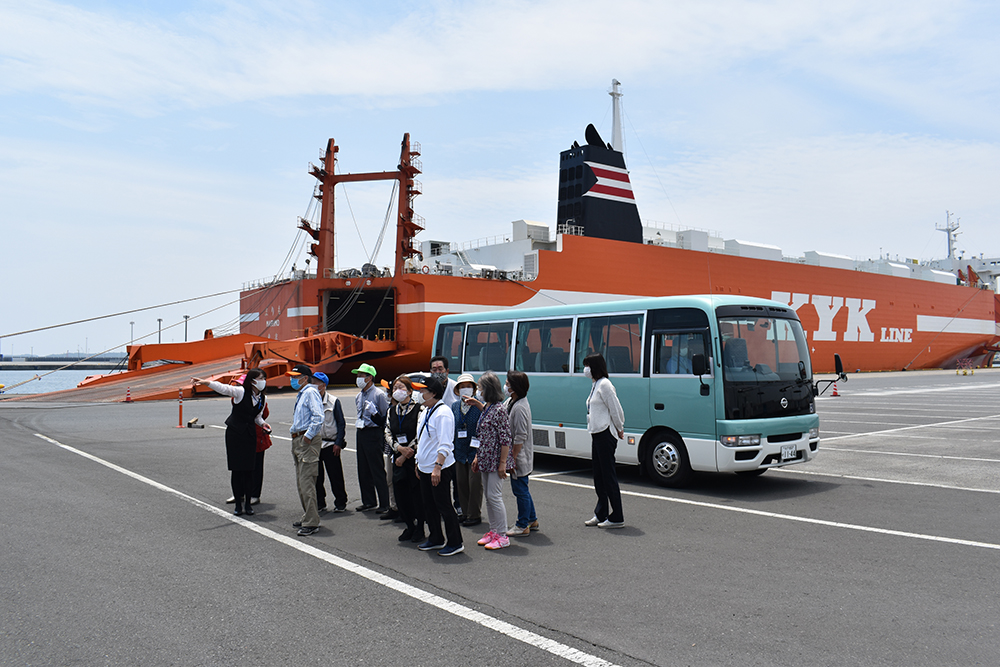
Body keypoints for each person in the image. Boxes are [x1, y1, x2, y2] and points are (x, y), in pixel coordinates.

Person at [193, 369, 269, 517]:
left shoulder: (262, 398)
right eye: (260, 378)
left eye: (264, 378)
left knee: (249, 470)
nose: (263, 381)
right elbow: (224, 388)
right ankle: (238, 505)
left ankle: (248, 504)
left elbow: (257, 417)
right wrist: (206, 382)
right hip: (235, 434)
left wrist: (264, 424)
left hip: (249, 435)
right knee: (237, 469)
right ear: (252, 381)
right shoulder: (240, 392)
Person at [412, 376, 464, 556]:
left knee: (443, 505)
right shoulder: (426, 411)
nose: (419, 394)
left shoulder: (443, 413)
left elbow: (445, 443)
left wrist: (437, 467)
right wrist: (418, 462)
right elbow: (423, 440)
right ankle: (436, 538)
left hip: (438, 468)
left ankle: (455, 542)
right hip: (425, 467)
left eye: (422, 391)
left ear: (433, 393)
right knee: (429, 505)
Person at [468, 371, 514, 550]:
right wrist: (478, 456)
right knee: (488, 496)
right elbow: (484, 433)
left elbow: (505, 439)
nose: (478, 390)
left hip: (495, 461)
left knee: (494, 496)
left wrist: (503, 464)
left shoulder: (499, 409)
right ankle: (494, 530)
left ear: (488, 389)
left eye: (480, 388)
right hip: (486, 458)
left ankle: (502, 535)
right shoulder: (488, 407)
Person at [583, 353, 626, 528]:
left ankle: (617, 516)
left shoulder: (606, 385)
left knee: (608, 475)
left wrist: (619, 427)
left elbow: (615, 408)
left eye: (587, 366)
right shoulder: (596, 384)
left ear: (594, 367)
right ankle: (601, 513)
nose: (585, 369)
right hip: (596, 433)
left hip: (605, 433)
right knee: (599, 476)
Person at [385, 375, 424, 542]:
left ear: (409, 390)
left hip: (414, 458)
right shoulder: (391, 410)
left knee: (417, 494)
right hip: (398, 456)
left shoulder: (419, 409)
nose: (396, 391)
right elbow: (387, 431)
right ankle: (409, 525)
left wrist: (408, 451)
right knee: (400, 493)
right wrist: (398, 449)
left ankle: (420, 527)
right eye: (394, 388)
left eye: (400, 387)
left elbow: (420, 432)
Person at [287, 364, 325, 536]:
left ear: (304, 377)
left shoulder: (310, 392)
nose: (292, 380)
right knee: (301, 481)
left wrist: (308, 436)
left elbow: (318, 417)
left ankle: (311, 522)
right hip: (299, 438)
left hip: (306, 440)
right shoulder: (302, 393)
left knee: (307, 481)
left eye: (295, 377)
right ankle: (308, 516)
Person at [505, 371, 538, 537]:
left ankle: (522, 524)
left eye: (508, 384)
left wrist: (512, 458)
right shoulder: (512, 401)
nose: (506, 386)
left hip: (520, 457)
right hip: (518, 457)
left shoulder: (519, 408)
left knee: (520, 490)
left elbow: (520, 437)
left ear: (514, 387)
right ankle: (532, 519)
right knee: (523, 488)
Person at [353, 363, 390, 512]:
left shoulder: (378, 394)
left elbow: (385, 415)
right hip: (361, 431)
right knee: (363, 467)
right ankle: (368, 500)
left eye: (361, 376)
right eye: (358, 375)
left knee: (376, 468)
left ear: (369, 378)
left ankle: (384, 503)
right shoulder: (359, 395)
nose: (358, 378)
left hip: (373, 432)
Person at [451, 373, 483, 527]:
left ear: (474, 388)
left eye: (468, 386)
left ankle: (474, 514)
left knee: (475, 483)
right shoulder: (455, 406)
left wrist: (479, 452)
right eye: (462, 387)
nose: (465, 389)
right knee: (461, 482)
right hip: (459, 450)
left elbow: (485, 427)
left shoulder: (480, 405)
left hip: (475, 450)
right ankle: (464, 512)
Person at [314, 373, 348, 514]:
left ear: (323, 385)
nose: (314, 385)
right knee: (317, 476)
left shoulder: (334, 401)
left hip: (330, 444)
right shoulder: (310, 400)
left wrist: (338, 442)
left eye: (317, 382)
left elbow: (341, 423)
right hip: (315, 444)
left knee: (335, 475)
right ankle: (320, 502)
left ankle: (341, 502)